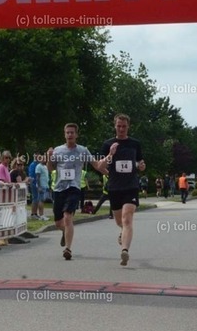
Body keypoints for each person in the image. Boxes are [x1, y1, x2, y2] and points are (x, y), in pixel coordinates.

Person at [47, 123, 106, 260]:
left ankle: (68, 249)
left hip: (74, 188)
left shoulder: (82, 150)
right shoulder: (58, 150)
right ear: (64, 134)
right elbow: (50, 169)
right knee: (58, 223)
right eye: (67, 132)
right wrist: (49, 157)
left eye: (72, 132)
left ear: (76, 134)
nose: (70, 135)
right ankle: (64, 231)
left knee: (68, 217)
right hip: (59, 188)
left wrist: (109, 165)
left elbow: (96, 165)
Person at [99, 113, 146, 266]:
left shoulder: (135, 144)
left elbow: (140, 163)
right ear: (115, 126)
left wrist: (141, 166)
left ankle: (124, 250)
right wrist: (110, 154)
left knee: (127, 218)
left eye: (124, 126)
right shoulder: (108, 144)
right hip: (114, 188)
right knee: (120, 221)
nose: (121, 129)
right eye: (119, 126)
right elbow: (100, 166)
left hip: (131, 186)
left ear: (128, 126)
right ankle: (123, 232)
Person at [34, 156, 50, 221]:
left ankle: (42, 214)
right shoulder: (38, 166)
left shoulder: (45, 166)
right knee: (41, 200)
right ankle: (41, 215)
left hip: (45, 185)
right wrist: (39, 186)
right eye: (43, 159)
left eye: (45, 159)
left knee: (43, 200)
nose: (44, 160)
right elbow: (37, 177)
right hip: (41, 186)